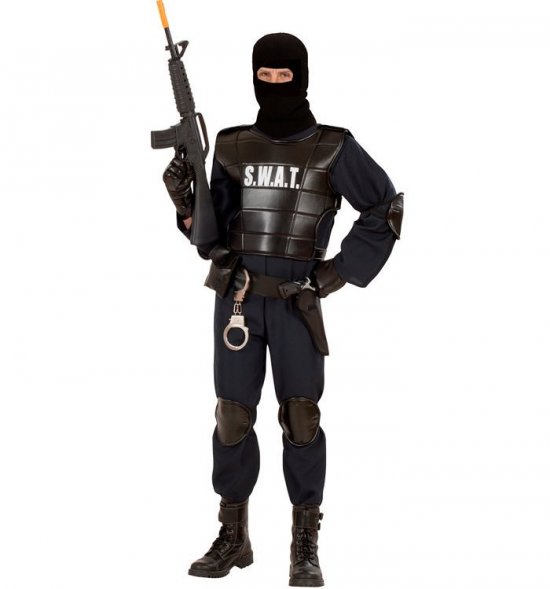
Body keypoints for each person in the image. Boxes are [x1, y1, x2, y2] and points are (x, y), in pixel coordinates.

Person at [162, 32, 403, 587]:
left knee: (301, 418)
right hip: (238, 301)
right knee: (232, 417)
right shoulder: (230, 146)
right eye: (264, 76)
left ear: (302, 77)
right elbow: (210, 238)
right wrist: (185, 205)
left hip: (298, 303)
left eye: (284, 75)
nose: (274, 85)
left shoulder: (333, 147)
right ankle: (233, 536)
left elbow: (385, 207)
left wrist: (334, 275)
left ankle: (304, 544)